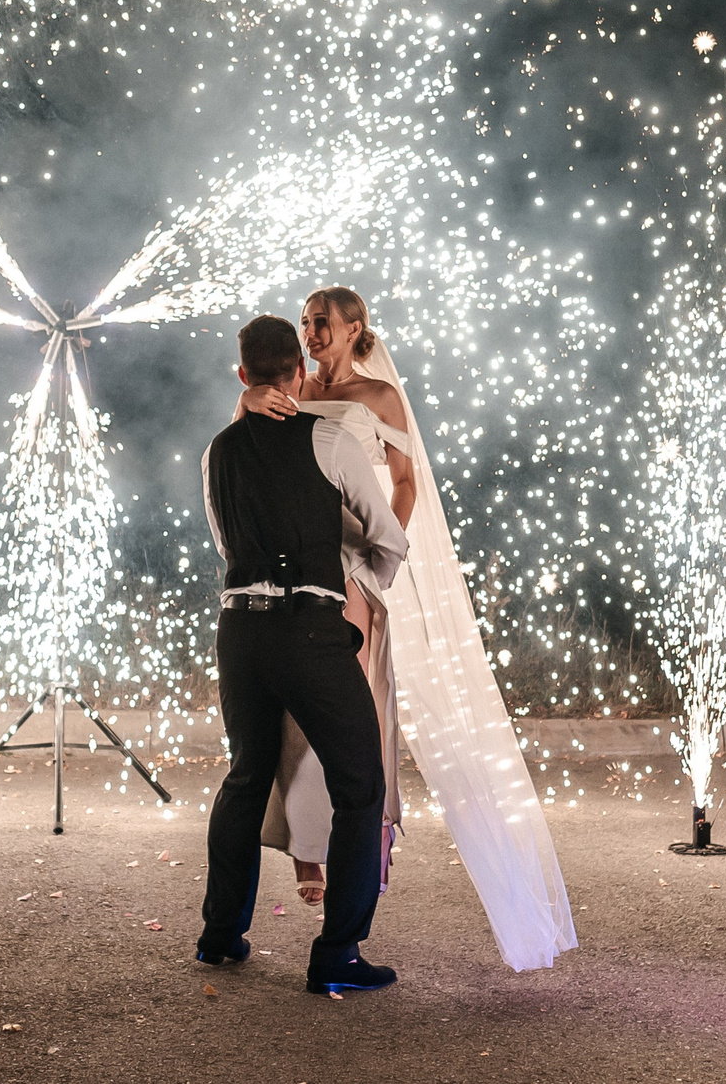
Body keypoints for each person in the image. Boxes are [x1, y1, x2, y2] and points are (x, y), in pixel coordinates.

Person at [241, 285, 579, 974]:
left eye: (322, 322)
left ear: (354, 327)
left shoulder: (379, 396)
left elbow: (404, 481)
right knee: (294, 716)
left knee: (356, 708)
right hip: (296, 564)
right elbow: (255, 451)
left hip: (352, 565)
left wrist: (377, 557)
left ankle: (363, 841)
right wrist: (249, 400)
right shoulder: (290, 391)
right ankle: (307, 846)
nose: (311, 332)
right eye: (305, 322)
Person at [196, 312, 410, 995]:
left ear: (244, 375)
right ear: (297, 371)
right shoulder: (329, 437)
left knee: (246, 776)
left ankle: (220, 936)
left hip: (239, 631)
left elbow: (225, 543)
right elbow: (389, 538)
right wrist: (353, 586)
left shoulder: (217, 450)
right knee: (360, 784)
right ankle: (337, 953)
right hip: (310, 630)